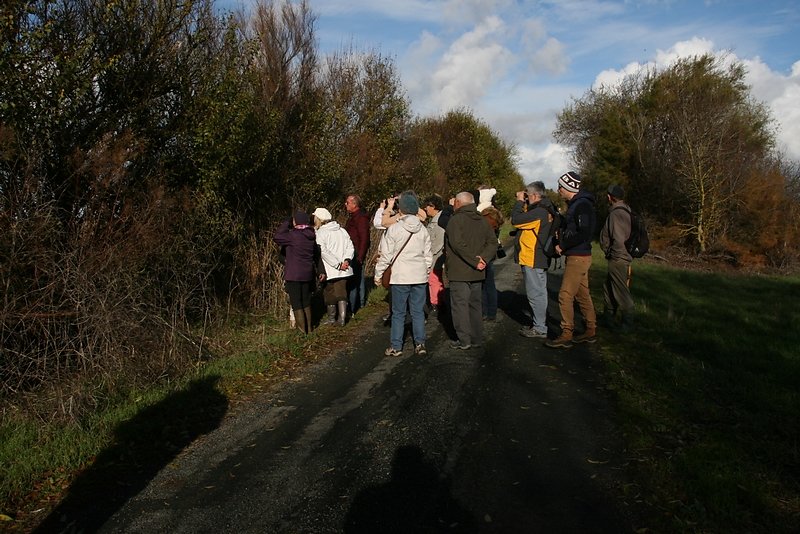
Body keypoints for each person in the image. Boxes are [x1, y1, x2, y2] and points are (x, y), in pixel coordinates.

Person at [374, 191, 433, 356]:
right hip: (419, 276)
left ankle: (396, 346)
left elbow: (386, 256)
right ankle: (420, 344)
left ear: (402, 209)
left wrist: (378, 275)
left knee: (398, 313)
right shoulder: (422, 229)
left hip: (400, 276)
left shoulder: (394, 229)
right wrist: (426, 270)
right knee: (417, 311)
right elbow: (427, 255)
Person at [545, 171, 598, 349]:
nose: (559, 189)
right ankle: (590, 330)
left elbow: (583, 232)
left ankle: (566, 332)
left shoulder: (581, 205)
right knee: (583, 294)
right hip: (580, 255)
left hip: (578, 256)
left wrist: (563, 245)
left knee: (565, 295)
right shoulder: (578, 204)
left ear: (569, 187)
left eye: (561, 186)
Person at [445, 191, 497, 350]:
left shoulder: (455, 220)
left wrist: (476, 261)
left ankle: (464, 340)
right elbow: (493, 243)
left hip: (460, 271)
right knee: (475, 305)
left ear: (459, 203)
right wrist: (483, 260)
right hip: (478, 271)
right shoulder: (483, 220)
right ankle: (477, 338)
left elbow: (457, 245)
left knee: (460, 306)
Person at [511, 181, 554, 338]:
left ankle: (540, 327)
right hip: (537, 256)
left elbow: (516, 220)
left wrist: (518, 202)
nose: (526, 199)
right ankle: (540, 324)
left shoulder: (539, 212)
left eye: (527, 196)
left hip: (533, 257)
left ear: (535, 195)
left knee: (535, 293)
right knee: (539, 292)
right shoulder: (545, 208)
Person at [273, 210, 317, 334]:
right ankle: (310, 328)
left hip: (294, 275)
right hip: (307, 273)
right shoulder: (310, 235)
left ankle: (302, 331)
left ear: (295, 222)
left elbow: (277, 236)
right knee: (306, 301)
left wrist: (286, 222)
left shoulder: (293, 236)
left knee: (296, 303)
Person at [599, 184, 635, 332]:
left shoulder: (616, 214)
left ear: (610, 197)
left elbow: (619, 239)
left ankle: (627, 324)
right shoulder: (626, 210)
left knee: (620, 291)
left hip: (618, 258)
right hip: (620, 256)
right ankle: (608, 319)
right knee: (608, 288)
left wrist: (613, 254)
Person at [313, 207, 354, 326]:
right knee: (341, 292)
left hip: (331, 269)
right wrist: (347, 260)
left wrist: (338, 265)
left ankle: (335, 319)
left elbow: (323, 252)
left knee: (330, 293)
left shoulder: (321, 233)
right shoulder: (342, 230)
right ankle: (341, 318)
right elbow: (350, 246)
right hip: (343, 268)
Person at [477, 186, 503, 321]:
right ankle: (491, 311)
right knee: (490, 283)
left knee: (482, 283)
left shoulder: (484, 214)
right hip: (491, 252)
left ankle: (484, 310)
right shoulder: (496, 213)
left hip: (482, 251)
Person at [344, 194, 370, 316]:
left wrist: (360, 256)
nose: (346, 204)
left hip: (356, 253)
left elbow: (364, 238)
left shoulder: (360, 218)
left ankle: (356, 306)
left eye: (348, 202)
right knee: (357, 280)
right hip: (352, 251)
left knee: (355, 280)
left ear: (354, 204)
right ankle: (358, 304)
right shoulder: (353, 217)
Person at [423, 194, 446, 314]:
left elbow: (439, 242)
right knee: (435, 278)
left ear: (433, 206)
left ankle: (436, 303)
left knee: (433, 279)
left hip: (435, 256)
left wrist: (430, 255)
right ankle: (438, 301)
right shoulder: (435, 220)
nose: (426, 209)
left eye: (427, 206)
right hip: (434, 255)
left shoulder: (439, 221)